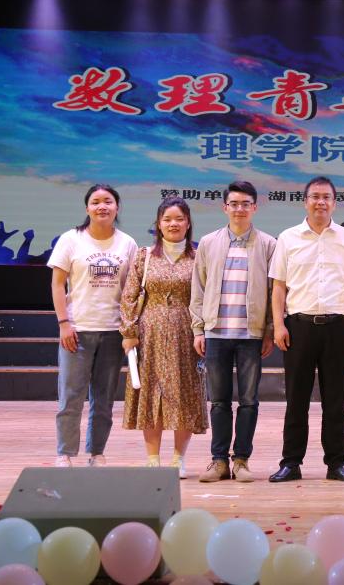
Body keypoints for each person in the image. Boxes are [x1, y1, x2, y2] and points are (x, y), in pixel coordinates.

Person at [268, 176, 344, 483]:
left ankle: (337, 463)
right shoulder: (288, 238)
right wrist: (278, 325)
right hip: (299, 327)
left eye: (326, 197)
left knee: (335, 401)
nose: (320, 202)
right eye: (315, 197)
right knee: (296, 400)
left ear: (334, 203)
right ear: (305, 201)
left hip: (337, 327)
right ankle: (290, 462)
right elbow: (279, 286)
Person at [191, 181, 277, 483]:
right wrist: (198, 329)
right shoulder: (208, 243)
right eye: (234, 204)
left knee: (249, 400)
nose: (239, 209)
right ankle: (218, 461)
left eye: (245, 204)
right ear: (224, 207)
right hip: (216, 333)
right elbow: (198, 289)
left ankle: (241, 460)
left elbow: (273, 291)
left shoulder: (268, 244)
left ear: (255, 207)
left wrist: (269, 330)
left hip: (251, 335)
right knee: (218, 401)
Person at [49, 184, 138, 467]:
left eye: (108, 201)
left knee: (104, 399)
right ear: (87, 208)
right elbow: (57, 284)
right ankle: (65, 453)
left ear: (117, 207)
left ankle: (97, 452)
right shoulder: (70, 239)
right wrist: (64, 323)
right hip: (77, 330)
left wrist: (128, 329)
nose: (102, 206)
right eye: (96, 201)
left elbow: (132, 291)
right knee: (71, 396)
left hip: (113, 332)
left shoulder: (128, 243)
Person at [120, 197, 208, 478]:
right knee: (150, 393)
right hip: (150, 333)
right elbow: (129, 296)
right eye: (167, 219)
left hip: (187, 333)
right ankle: (153, 458)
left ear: (188, 223)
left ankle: (179, 459)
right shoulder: (144, 256)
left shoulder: (199, 257)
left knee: (185, 393)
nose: (173, 224)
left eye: (179, 219)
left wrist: (203, 331)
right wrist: (129, 332)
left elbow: (206, 297)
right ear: (158, 224)